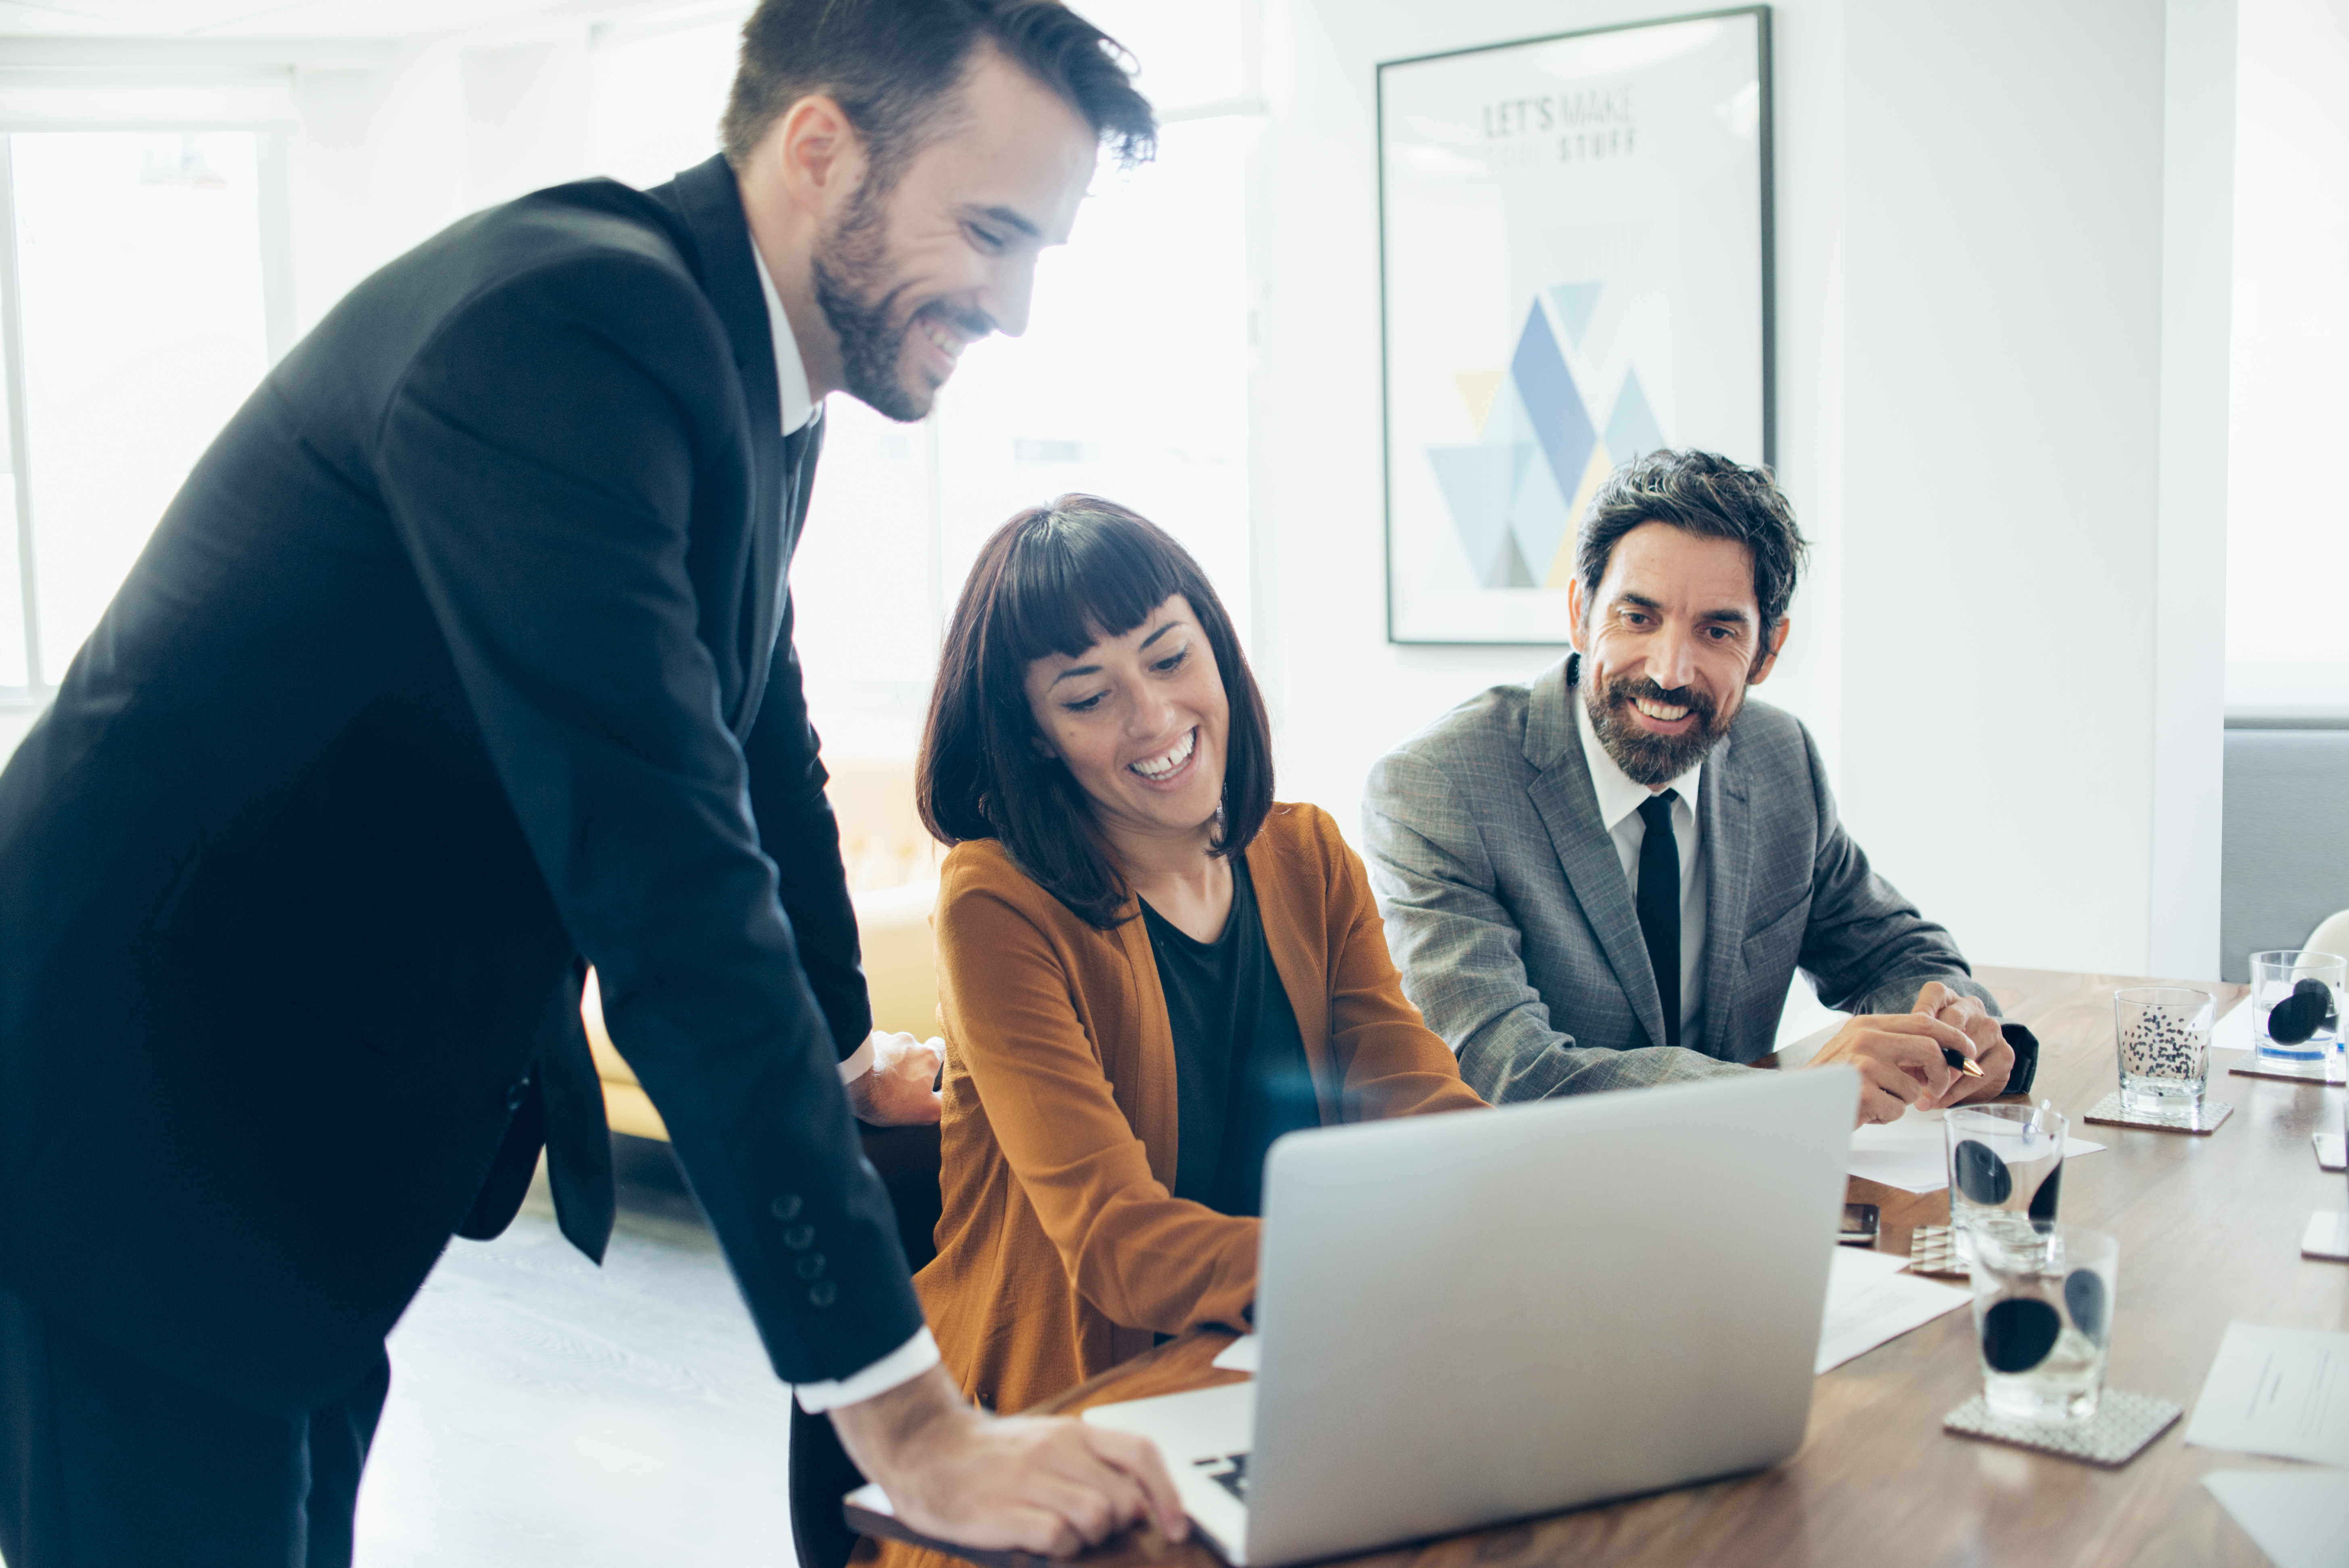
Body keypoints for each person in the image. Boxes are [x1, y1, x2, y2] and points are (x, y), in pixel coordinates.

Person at [0, 4, 1188, 1563]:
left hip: (294, 1153)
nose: (1014, 306)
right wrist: (912, 1422)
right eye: (990, 231)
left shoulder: (753, 379)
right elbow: (666, 873)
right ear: (821, 151)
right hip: (133, 1127)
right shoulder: (571, 331)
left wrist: (840, 1053)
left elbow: (757, 742)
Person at [906, 496, 1487, 1426]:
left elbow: (1411, 1094)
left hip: (1297, 1351)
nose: (1152, 715)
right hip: (1084, 1401)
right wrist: (1350, 1266)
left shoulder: (1308, 855)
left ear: (1215, 645)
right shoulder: (997, 904)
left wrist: (1515, 1196)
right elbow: (1115, 1238)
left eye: (1170, 657)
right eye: (1088, 697)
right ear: (1034, 733)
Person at [1362, 449, 2035, 1125]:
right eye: (1637, 617)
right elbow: (1503, 1067)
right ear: (1579, 614)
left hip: (1746, 1179)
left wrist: (1951, 1023)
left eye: (1716, 631)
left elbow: (1894, 952)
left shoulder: (1780, 758)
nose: (1669, 671)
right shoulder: (1437, 787)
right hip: (1542, 1183)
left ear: (1767, 651)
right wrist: (1793, 1098)